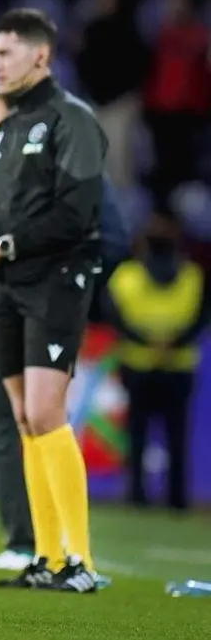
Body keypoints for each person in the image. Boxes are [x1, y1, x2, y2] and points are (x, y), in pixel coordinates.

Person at [0, 9, 107, 593]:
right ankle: (45, 554)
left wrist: (6, 245)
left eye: (5, 53)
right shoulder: (9, 128)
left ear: (40, 56)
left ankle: (79, 561)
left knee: (44, 413)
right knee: (22, 419)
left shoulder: (72, 120)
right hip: (6, 287)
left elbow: (77, 212)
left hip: (57, 279)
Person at [104, 214, 209, 511]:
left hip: (138, 363)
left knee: (138, 433)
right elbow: (202, 317)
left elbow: (113, 315)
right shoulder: (192, 275)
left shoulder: (126, 276)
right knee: (176, 435)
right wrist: (174, 342)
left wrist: (144, 341)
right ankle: (177, 498)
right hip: (178, 364)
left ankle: (137, 494)